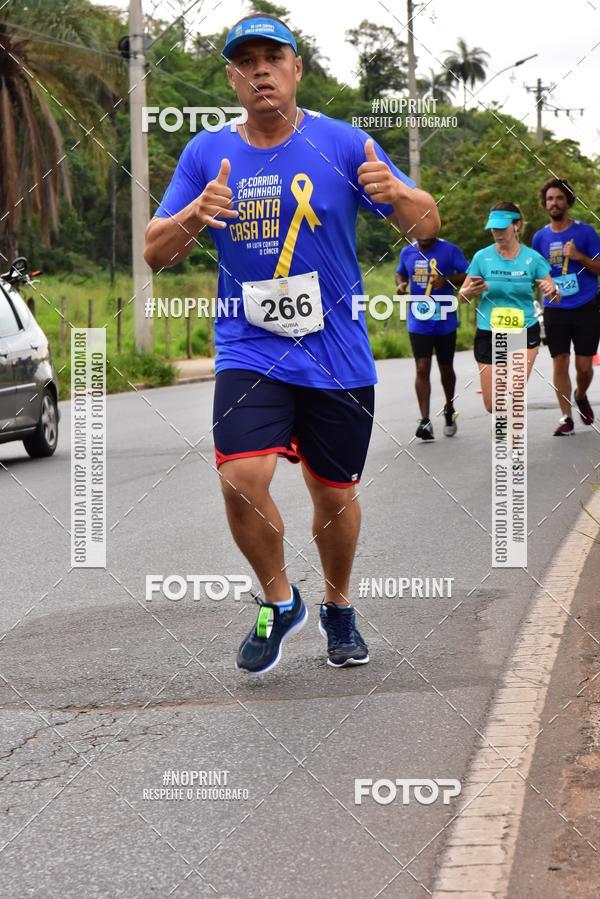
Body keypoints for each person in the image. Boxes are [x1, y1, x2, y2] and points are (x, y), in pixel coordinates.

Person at [144, 12, 440, 672]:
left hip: (335, 350)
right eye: (245, 62)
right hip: (250, 346)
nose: (259, 71)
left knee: (333, 496)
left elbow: (425, 224)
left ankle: (338, 605)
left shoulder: (343, 143)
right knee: (240, 477)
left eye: (271, 58)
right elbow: (154, 251)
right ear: (230, 77)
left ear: (296, 68)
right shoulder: (206, 154)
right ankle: (280, 602)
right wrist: (196, 213)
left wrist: (400, 192)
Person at [459, 202, 559, 413]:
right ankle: (509, 438)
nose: (497, 233)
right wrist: (469, 293)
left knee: (514, 392)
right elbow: (462, 297)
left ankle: (512, 445)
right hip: (489, 331)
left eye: (502, 228)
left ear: (517, 226)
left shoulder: (533, 259)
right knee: (492, 404)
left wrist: (553, 292)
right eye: (494, 229)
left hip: (522, 330)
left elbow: (555, 295)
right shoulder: (481, 257)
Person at [532, 178, 600, 435]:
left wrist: (580, 257)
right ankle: (565, 417)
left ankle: (580, 395)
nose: (554, 203)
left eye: (559, 198)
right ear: (545, 203)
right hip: (555, 308)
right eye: (550, 199)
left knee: (583, 367)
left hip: (585, 306)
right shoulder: (540, 237)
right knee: (559, 361)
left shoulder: (586, 233)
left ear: (568, 202)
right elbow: (536, 272)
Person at [396, 236, 468, 439]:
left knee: (446, 367)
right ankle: (425, 420)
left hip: (444, 320)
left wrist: (446, 280)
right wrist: (401, 285)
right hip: (418, 321)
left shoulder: (450, 249)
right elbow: (400, 273)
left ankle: (449, 408)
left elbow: (469, 274)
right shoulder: (407, 252)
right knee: (422, 367)